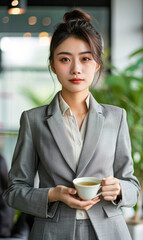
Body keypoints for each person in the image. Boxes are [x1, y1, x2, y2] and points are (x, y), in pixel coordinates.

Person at [3, 9, 140, 240]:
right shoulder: (33, 120)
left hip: (109, 232)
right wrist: (52, 194)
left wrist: (118, 189)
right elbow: (14, 192)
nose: (76, 68)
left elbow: (132, 186)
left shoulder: (116, 117)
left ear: (97, 64)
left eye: (85, 59)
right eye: (65, 59)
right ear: (53, 65)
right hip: (52, 232)